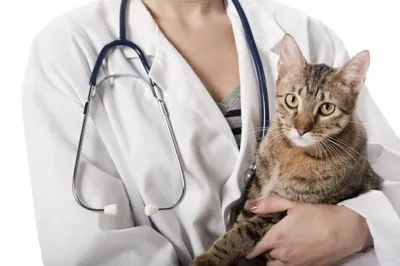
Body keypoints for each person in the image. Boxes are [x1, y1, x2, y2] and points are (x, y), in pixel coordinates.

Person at [22, 0, 400, 265]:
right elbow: (84, 244)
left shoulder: (302, 33)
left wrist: (361, 227)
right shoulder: (68, 50)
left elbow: (390, 178)